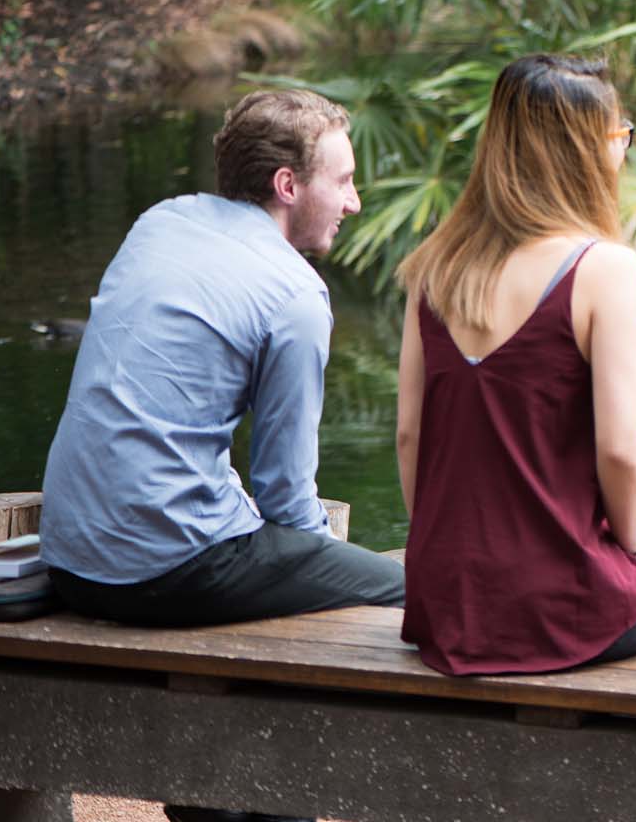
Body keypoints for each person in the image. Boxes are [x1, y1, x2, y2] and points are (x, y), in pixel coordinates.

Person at [40, 88, 405, 822]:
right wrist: (316, 574)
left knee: (286, 584)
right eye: (343, 180)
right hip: (167, 570)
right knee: (405, 596)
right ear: (288, 185)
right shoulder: (295, 294)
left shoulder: (161, 221)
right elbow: (287, 497)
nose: (356, 202)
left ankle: (231, 805)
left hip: (71, 555)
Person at [396, 54, 636, 675]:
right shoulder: (604, 268)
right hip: (554, 603)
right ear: (585, 150)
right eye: (618, 134)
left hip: (446, 599)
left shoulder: (433, 265)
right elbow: (623, 451)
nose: (623, 149)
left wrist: (453, 559)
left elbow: (411, 435)